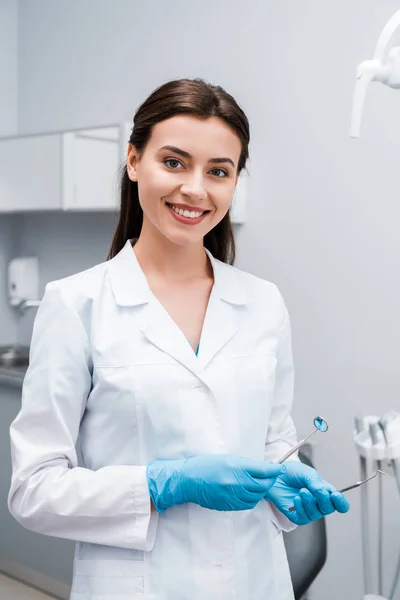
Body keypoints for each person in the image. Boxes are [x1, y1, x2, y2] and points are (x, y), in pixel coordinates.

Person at [8, 78, 349, 600]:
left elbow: (275, 440)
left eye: (219, 171)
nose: (195, 189)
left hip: (255, 580)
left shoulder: (263, 303)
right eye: (174, 162)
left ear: (235, 182)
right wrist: (165, 483)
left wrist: (287, 483)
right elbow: (33, 492)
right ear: (133, 161)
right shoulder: (77, 304)